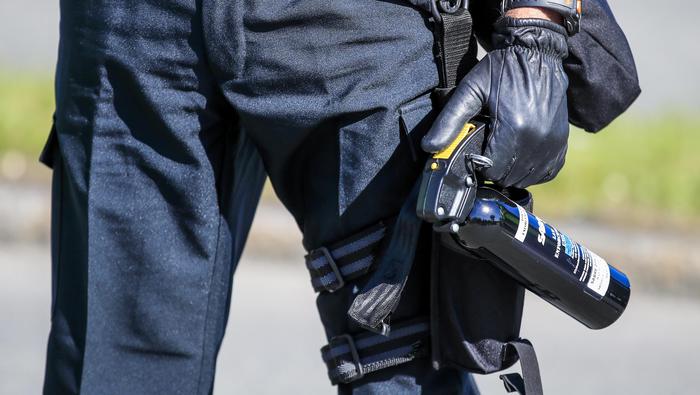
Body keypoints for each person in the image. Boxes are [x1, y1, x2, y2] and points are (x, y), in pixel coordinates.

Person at [39, 0, 639, 393]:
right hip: (131, 32)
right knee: (111, 373)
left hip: (356, 28)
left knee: (404, 376)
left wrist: (537, 20)